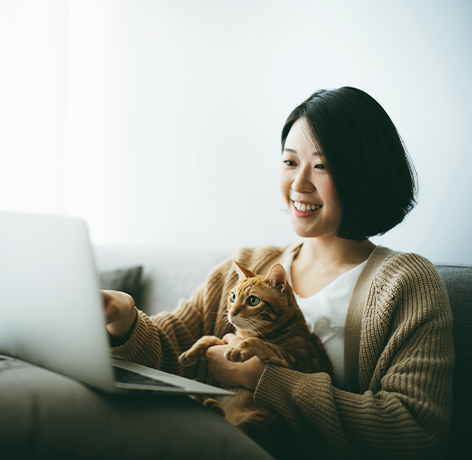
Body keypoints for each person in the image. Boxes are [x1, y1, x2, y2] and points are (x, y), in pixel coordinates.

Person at [101, 87, 454, 459]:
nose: (299, 184)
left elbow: (414, 433)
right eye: (290, 162)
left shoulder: (406, 283)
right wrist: (124, 321)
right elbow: (168, 351)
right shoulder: (247, 266)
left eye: (322, 165)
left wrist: (263, 379)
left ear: (364, 174)